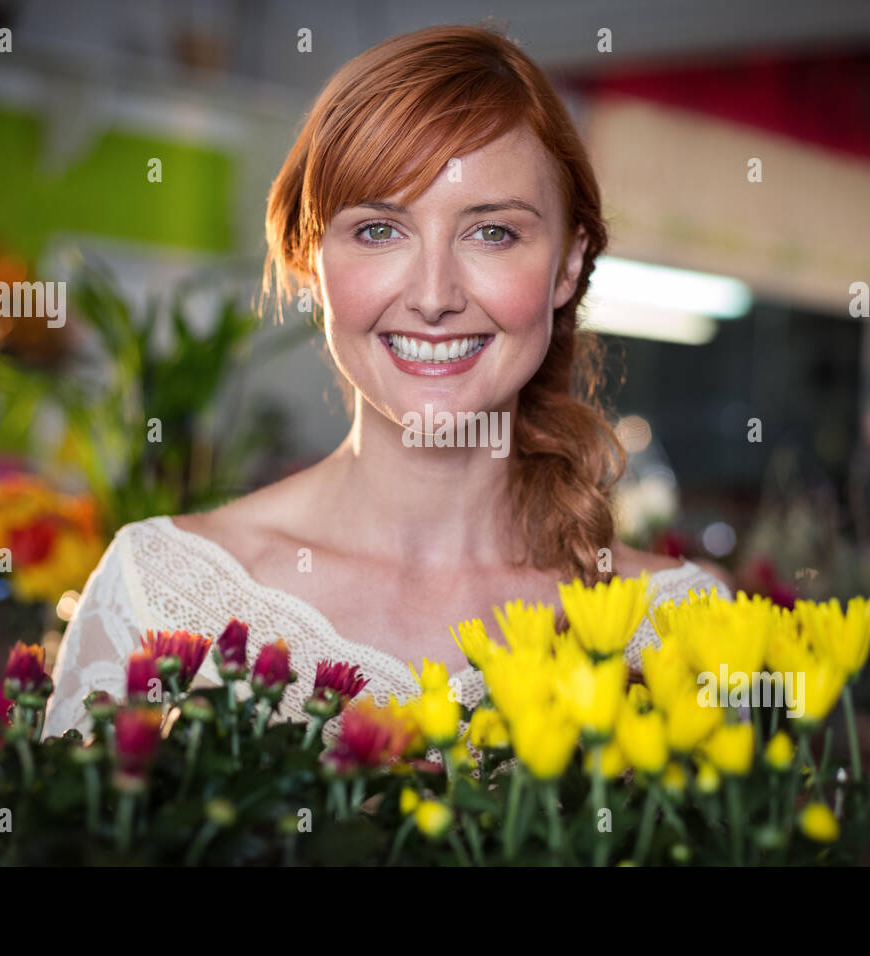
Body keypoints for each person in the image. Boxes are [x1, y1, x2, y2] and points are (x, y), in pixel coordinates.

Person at [42, 23, 728, 740]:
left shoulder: (686, 627)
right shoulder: (157, 593)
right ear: (311, 262)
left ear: (566, 266)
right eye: (378, 230)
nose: (434, 296)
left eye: (492, 232)